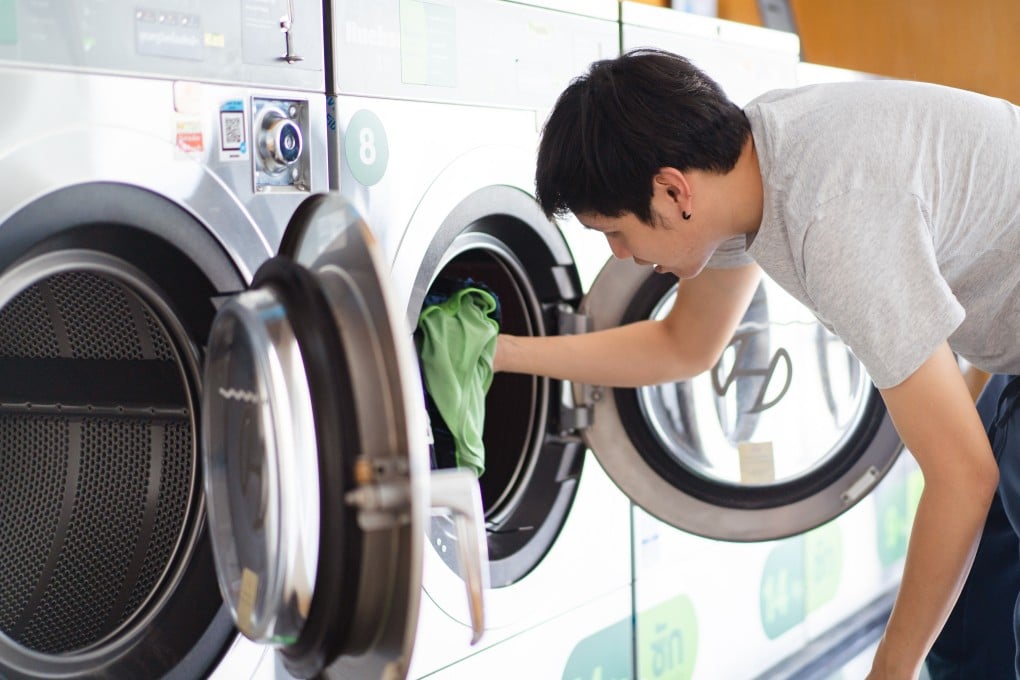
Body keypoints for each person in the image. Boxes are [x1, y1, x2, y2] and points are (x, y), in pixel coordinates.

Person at [492, 47, 1020, 679]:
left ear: (671, 189)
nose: (622, 254)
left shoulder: (834, 221)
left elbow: (964, 478)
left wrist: (889, 671)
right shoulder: (757, 161)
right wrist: (505, 353)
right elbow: (684, 345)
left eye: (615, 230)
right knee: (967, 628)